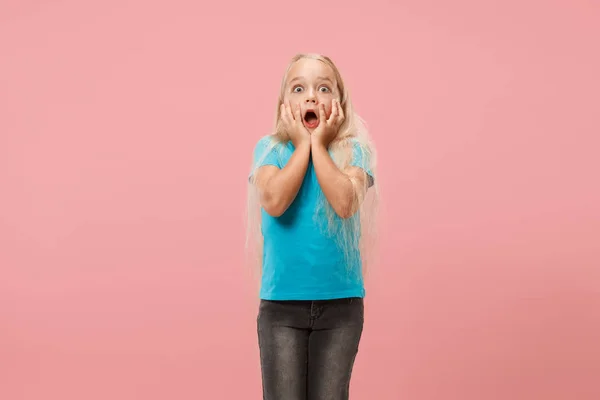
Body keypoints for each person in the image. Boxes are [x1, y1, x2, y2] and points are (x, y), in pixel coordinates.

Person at [246, 53, 379, 400]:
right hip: (281, 309)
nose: (311, 97)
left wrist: (318, 143)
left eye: (323, 88)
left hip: (341, 308)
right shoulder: (270, 150)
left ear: (340, 103)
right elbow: (274, 200)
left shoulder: (355, 153)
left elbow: (345, 202)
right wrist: (302, 144)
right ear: (283, 105)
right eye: (298, 88)